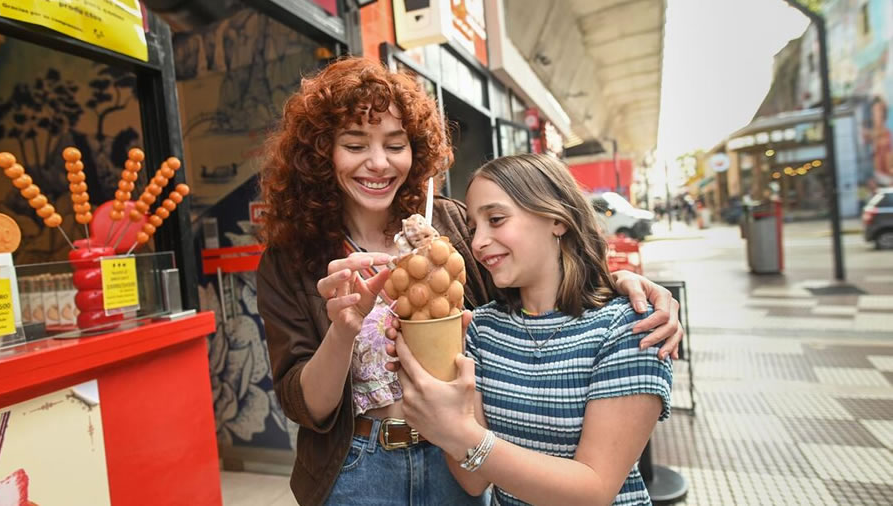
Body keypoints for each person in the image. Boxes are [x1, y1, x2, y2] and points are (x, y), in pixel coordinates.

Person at [257, 57, 683, 506]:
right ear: (322, 152)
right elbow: (305, 406)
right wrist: (342, 332)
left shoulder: (451, 224)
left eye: (396, 144)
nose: (379, 163)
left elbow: (533, 284)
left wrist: (620, 283)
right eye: (356, 144)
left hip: (461, 458)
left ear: (416, 149)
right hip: (358, 466)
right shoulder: (291, 259)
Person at [386, 153, 673, 505]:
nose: (477, 243)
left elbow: (594, 491)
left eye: (496, 219)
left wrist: (461, 433)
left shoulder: (629, 325)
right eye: (474, 229)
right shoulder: (482, 329)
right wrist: (435, 372)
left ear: (556, 218)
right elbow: (472, 482)